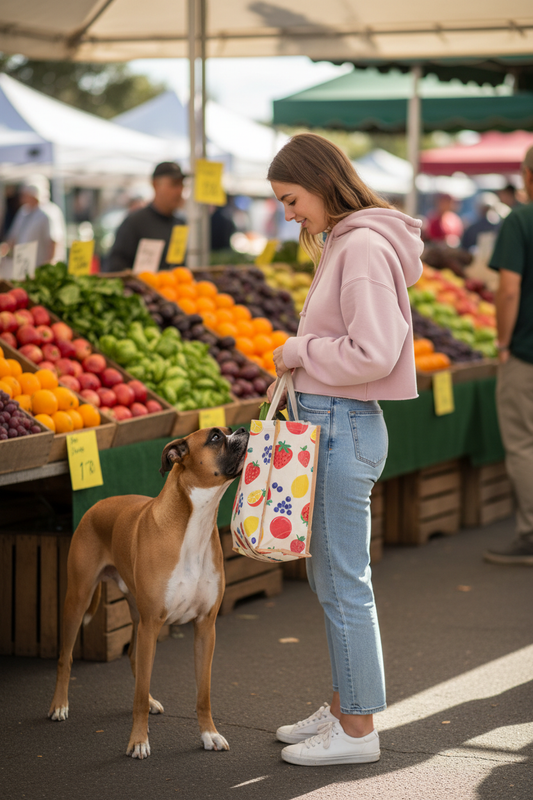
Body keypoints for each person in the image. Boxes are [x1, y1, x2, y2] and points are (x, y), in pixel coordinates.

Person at [266, 132, 423, 766]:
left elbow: (373, 351)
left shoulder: (358, 246)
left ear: (321, 181)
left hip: (342, 423)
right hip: (336, 422)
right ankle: (343, 706)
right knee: (330, 577)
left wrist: (299, 350)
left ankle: (358, 731)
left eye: (291, 198)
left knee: (343, 582)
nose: (288, 213)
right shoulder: (349, 240)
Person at [484, 146, 533, 567]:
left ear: (527, 176)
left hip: (527, 352)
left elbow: (510, 289)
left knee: (523, 444)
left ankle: (531, 536)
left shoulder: (521, 218)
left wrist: (502, 344)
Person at [105, 162, 187, 273]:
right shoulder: (134, 222)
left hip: (174, 289)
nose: (179, 191)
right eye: (174, 184)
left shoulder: (180, 224)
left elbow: (179, 265)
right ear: (155, 184)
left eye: (181, 184)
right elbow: (115, 266)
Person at [1, 180, 54, 274]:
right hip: (22, 266)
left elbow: (53, 240)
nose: (21, 198)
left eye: (25, 194)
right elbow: (12, 238)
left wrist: (48, 265)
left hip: (39, 267)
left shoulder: (48, 212)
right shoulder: (23, 212)